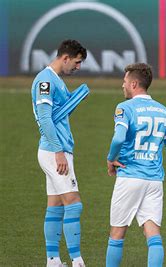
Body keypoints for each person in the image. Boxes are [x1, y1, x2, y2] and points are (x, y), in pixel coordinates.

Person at [105, 63, 166, 267]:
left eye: (124, 82)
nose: (122, 86)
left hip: (130, 176)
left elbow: (118, 139)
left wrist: (110, 158)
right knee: (153, 234)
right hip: (154, 181)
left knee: (117, 233)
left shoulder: (124, 108)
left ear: (133, 83)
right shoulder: (162, 110)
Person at [31, 39, 87, 267]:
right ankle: (77, 261)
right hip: (55, 151)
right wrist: (58, 151)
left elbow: (56, 114)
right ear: (65, 58)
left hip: (55, 150)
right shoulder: (45, 81)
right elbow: (44, 117)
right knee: (74, 203)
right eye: (77, 62)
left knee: (55, 205)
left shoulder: (55, 80)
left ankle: (53, 260)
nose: (78, 67)